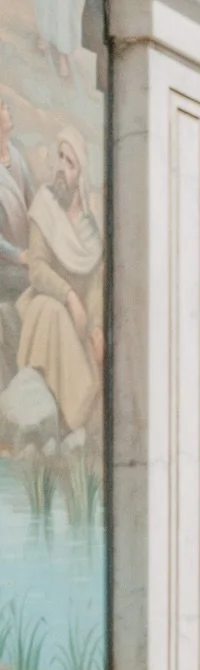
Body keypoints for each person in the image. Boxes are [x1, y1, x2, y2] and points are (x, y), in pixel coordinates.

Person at [16, 126, 103, 435]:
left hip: (79, 321)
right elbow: (37, 269)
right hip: (43, 305)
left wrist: (95, 327)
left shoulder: (91, 232)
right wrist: (67, 294)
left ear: (81, 173)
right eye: (60, 158)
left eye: (71, 163)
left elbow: (95, 286)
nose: (62, 169)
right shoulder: (44, 204)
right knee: (54, 315)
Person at [0, 97, 36, 382]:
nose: (7, 111)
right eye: (2, 108)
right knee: (33, 284)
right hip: (5, 264)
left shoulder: (16, 156)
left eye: (6, 107)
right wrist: (17, 255)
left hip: (25, 253)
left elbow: (33, 201)